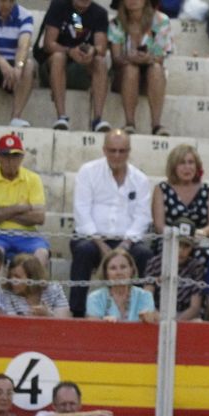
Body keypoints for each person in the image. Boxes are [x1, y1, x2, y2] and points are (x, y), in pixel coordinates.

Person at [70, 130, 151, 319]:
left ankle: (138, 313)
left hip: (126, 241)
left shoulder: (140, 179)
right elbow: (81, 211)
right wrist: (101, 244)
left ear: (129, 151)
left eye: (122, 151)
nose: (117, 155)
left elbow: (142, 217)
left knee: (143, 254)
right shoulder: (88, 171)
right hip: (92, 238)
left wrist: (125, 245)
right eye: (112, 150)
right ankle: (77, 313)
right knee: (83, 250)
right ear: (104, 150)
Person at [35, 0, 110, 132]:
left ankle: (98, 119)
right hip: (51, 66)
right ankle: (61, 117)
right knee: (58, 57)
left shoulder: (100, 13)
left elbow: (101, 48)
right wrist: (70, 51)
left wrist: (92, 51)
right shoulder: (58, 6)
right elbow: (49, 44)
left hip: (81, 67)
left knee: (100, 62)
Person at [0, 133, 49, 265]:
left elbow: (39, 218)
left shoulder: (33, 179)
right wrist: (20, 208)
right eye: (5, 155)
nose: (10, 161)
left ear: (22, 157)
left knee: (41, 254)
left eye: (15, 156)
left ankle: (34, 280)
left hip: (27, 235)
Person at [108, 0, 172, 136]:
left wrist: (147, 58)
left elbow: (161, 56)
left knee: (156, 69)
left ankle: (156, 125)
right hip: (124, 75)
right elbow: (116, 58)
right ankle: (129, 123)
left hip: (151, 74)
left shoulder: (161, 20)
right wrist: (130, 58)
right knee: (131, 69)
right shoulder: (116, 23)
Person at [151, 143, 209, 247]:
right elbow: (159, 226)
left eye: (191, 162)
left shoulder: (208, 190)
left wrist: (201, 233)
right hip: (170, 240)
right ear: (173, 167)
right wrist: (178, 238)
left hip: (198, 241)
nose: (187, 167)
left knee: (205, 252)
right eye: (182, 163)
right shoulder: (161, 189)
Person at [142, 231, 206, 319]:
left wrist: (175, 323)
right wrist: (161, 320)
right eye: (177, 245)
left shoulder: (196, 267)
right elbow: (147, 299)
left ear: (191, 248)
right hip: (157, 313)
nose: (181, 250)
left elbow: (194, 308)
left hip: (185, 316)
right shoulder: (155, 263)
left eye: (186, 246)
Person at [86, 245, 158, 322]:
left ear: (131, 270)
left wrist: (149, 318)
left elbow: (148, 324)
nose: (119, 272)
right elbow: (94, 326)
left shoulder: (145, 296)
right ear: (106, 273)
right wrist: (105, 323)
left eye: (123, 267)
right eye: (113, 268)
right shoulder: (95, 297)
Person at [1, 252, 70, 316]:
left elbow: (64, 321)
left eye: (17, 276)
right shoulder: (7, 294)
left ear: (32, 277)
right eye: (10, 276)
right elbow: (12, 323)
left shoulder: (54, 289)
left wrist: (47, 315)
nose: (12, 280)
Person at [33, 379, 113, 416]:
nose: (68, 409)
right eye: (63, 404)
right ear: (54, 405)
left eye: (72, 404)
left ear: (80, 403)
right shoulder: (42, 415)